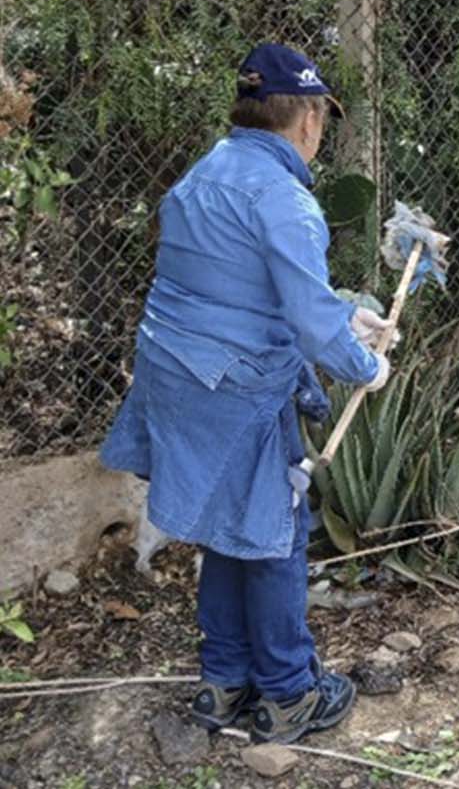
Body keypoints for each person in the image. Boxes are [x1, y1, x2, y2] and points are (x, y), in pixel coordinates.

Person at [99, 43, 391, 744]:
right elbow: (311, 330)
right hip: (234, 389)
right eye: (322, 120)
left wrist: (345, 311)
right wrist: (365, 363)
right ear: (309, 121)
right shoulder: (286, 199)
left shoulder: (202, 176)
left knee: (228, 530)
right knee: (274, 534)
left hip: (173, 375)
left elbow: (237, 285)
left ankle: (223, 683)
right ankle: (290, 695)